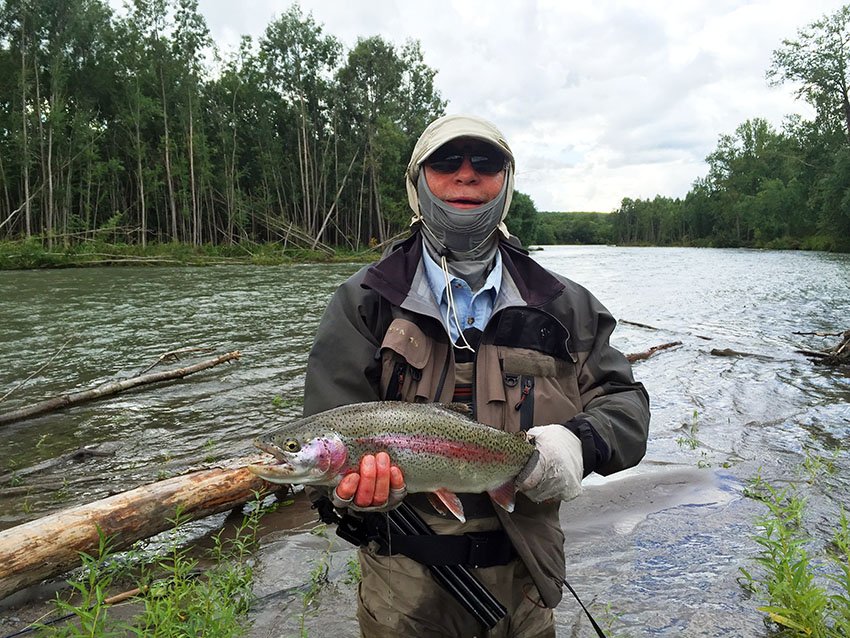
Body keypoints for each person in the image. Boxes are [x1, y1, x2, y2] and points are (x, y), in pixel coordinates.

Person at [302, 114, 650, 638]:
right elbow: (326, 435)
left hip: (526, 581)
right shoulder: (365, 302)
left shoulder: (563, 305)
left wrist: (578, 444)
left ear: (506, 183)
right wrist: (349, 491)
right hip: (404, 597)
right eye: (446, 161)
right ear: (417, 182)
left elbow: (625, 404)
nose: (466, 174)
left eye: (486, 162)